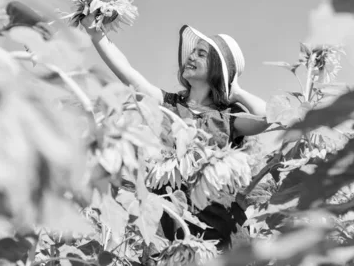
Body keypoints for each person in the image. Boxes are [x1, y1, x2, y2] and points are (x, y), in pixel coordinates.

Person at [81, 18, 270, 248]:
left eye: (201, 54)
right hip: (176, 232)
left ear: (218, 70)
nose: (191, 56)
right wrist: (96, 33)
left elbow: (266, 119)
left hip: (223, 231)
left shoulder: (227, 116)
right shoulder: (169, 104)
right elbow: (128, 73)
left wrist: (236, 91)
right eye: (193, 52)